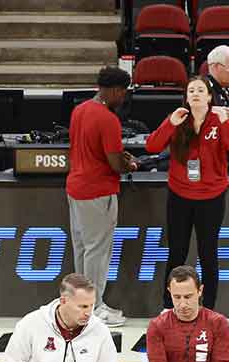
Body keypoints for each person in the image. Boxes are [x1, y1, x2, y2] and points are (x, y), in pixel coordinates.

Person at [145, 75, 229, 311]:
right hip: (180, 196)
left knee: (208, 255)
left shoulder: (218, 120)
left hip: (211, 198)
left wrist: (226, 124)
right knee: (176, 254)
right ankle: (168, 307)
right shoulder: (178, 118)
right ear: (186, 96)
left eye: (200, 90)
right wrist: (169, 123)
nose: (195, 94)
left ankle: (209, 308)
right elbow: (151, 146)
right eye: (191, 91)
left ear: (210, 96)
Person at [66, 66, 137, 328]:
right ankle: (93, 309)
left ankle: (80, 304)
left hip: (76, 187)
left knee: (83, 249)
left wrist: (120, 156)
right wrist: (128, 164)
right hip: (98, 191)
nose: (124, 98)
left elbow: (88, 148)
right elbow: (114, 163)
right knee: (97, 252)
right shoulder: (108, 119)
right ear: (117, 90)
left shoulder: (80, 109)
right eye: (124, 93)